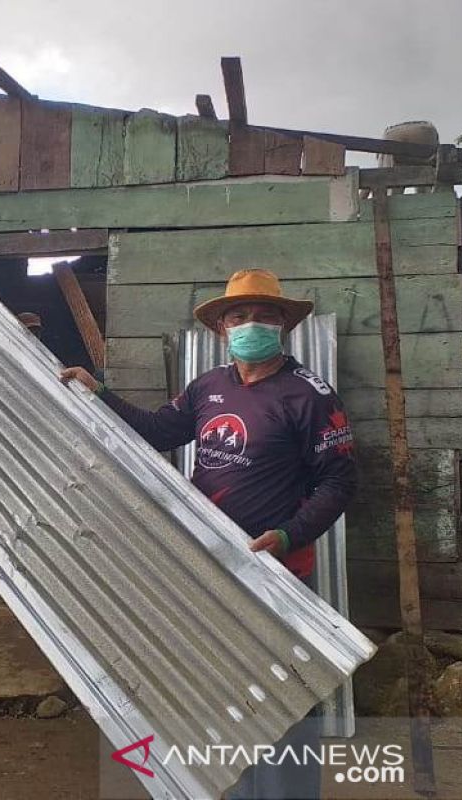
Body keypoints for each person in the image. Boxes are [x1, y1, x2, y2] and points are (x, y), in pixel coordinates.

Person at [61, 268, 357, 800]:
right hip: (214, 567)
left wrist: (288, 536)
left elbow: (338, 482)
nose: (251, 325)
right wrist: (98, 391)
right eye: (238, 316)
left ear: (284, 325)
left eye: (264, 315)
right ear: (222, 328)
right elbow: (156, 432)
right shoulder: (207, 387)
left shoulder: (309, 395)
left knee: (286, 693)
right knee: (229, 691)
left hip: (278, 574)